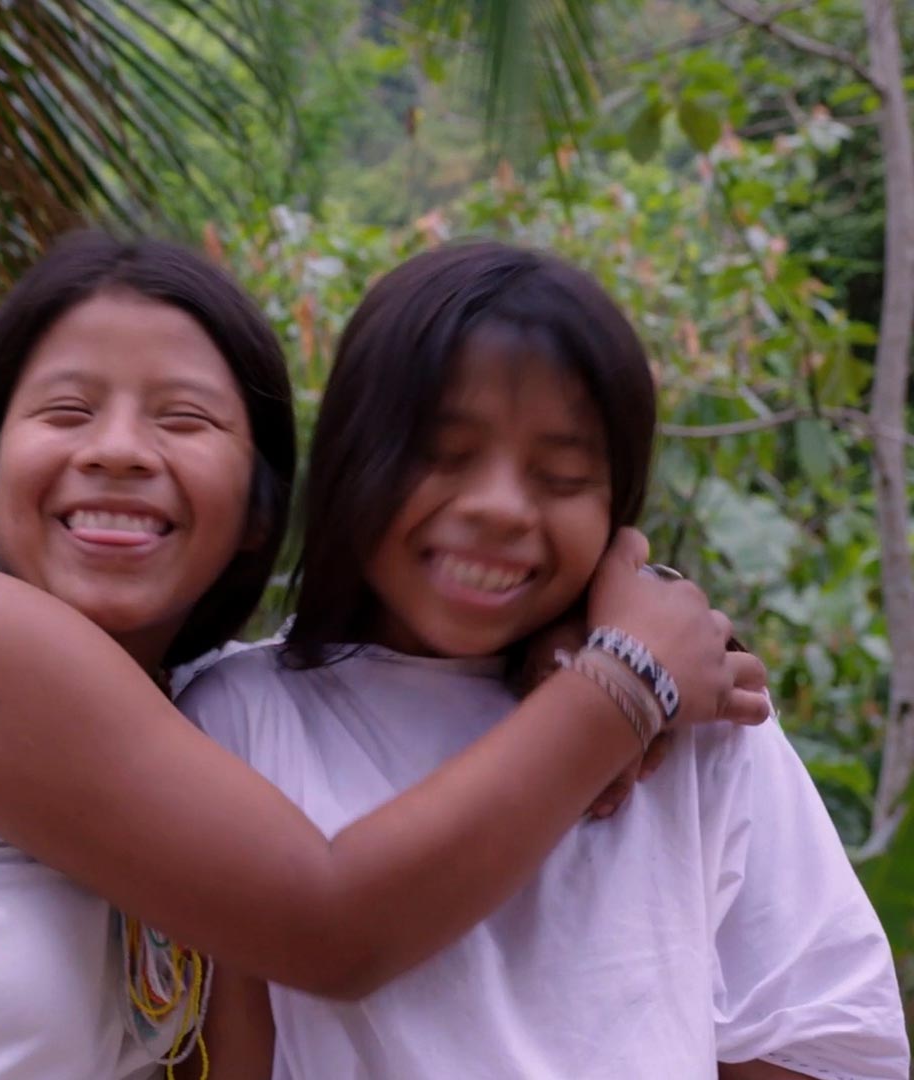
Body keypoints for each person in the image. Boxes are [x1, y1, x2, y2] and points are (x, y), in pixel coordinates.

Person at [0, 232, 767, 1080]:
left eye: (184, 419)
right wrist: (623, 676)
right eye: (66, 409)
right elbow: (331, 926)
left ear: (259, 511)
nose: (115, 448)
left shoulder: (198, 740)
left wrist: (552, 641)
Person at [188, 241, 907, 1080]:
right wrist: (624, 680)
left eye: (562, 475)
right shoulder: (237, 719)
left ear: (618, 504)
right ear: (348, 460)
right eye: (443, 455)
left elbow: (826, 1039)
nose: (500, 507)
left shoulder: (699, 723)